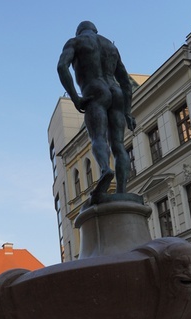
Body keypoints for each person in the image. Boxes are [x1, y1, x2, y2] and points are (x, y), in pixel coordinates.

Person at [57, 21, 136, 199]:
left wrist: (75, 97)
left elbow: (62, 67)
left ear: (79, 32)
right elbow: (125, 82)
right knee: (119, 145)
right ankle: (122, 192)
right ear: (95, 30)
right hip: (116, 93)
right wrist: (128, 112)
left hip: (95, 91)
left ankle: (105, 169)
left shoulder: (75, 42)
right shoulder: (110, 47)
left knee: (98, 137)